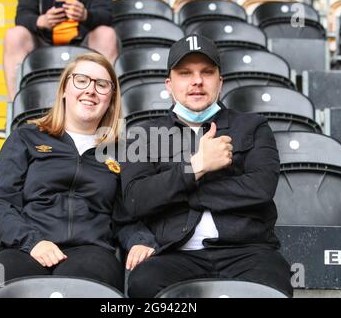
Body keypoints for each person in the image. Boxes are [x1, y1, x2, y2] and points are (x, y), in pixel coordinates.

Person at [118, 34, 293, 298]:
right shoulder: (142, 135)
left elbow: (260, 189)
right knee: (145, 283)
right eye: (185, 73)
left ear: (220, 82)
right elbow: (136, 199)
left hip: (246, 251)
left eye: (207, 72)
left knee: (273, 286)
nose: (197, 81)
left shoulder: (253, 126)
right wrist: (196, 167)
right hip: (173, 253)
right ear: (169, 84)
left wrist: (177, 192)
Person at [0, 52, 124, 297]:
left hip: (92, 251)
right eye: (81, 80)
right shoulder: (26, 137)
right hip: (24, 247)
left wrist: (142, 240)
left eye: (101, 85)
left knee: (86, 287)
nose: (91, 90)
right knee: (0, 277)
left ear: (110, 98)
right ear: (65, 89)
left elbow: (127, 215)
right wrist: (33, 242)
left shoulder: (121, 151)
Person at [4, 0, 119, 102]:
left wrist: (86, 15)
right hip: (42, 44)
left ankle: (107, 106)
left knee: (106, 34)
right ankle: (16, 106)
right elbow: (22, 16)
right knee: (14, 35)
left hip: (84, 43)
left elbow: (106, 16)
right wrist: (40, 21)